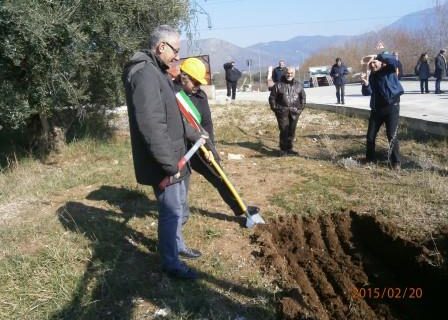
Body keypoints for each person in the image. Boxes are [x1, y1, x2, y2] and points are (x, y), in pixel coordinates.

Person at [123, 25, 205, 280]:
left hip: (176, 156)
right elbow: (151, 124)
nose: (177, 58)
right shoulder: (145, 74)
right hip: (166, 161)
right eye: (175, 51)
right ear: (161, 47)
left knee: (178, 208)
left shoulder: (157, 71)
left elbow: (172, 116)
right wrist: (170, 164)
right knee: (170, 213)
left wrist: (192, 136)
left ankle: (177, 247)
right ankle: (171, 264)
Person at [173, 57, 259, 219]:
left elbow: (206, 125)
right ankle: (179, 218)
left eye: (200, 83)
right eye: (195, 83)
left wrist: (211, 148)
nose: (198, 87)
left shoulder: (200, 96)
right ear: (185, 78)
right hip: (179, 148)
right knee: (180, 185)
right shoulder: (171, 94)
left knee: (219, 175)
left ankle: (240, 209)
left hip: (200, 146)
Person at [361, 52, 404, 170]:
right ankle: (370, 159)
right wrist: (365, 84)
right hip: (377, 110)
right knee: (370, 136)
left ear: (381, 62)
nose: (372, 65)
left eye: (374, 62)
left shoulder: (389, 69)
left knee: (391, 135)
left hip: (391, 108)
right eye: (370, 64)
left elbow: (393, 60)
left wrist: (377, 56)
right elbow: (367, 93)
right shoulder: (372, 76)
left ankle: (396, 162)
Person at [269, 67, 306, 157]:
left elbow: (303, 98)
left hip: (295, 112)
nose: (289, 75)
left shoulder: (299, 85)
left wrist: (300, 109)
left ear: (294, 74)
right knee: (283, 131)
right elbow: (272, 98)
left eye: (291, 73)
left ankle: (289, 149)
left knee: (291, 131)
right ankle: (283, 150)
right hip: (282, 112)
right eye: (288, 73)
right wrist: (276, 109)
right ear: (285, 73)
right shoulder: (278, 85)